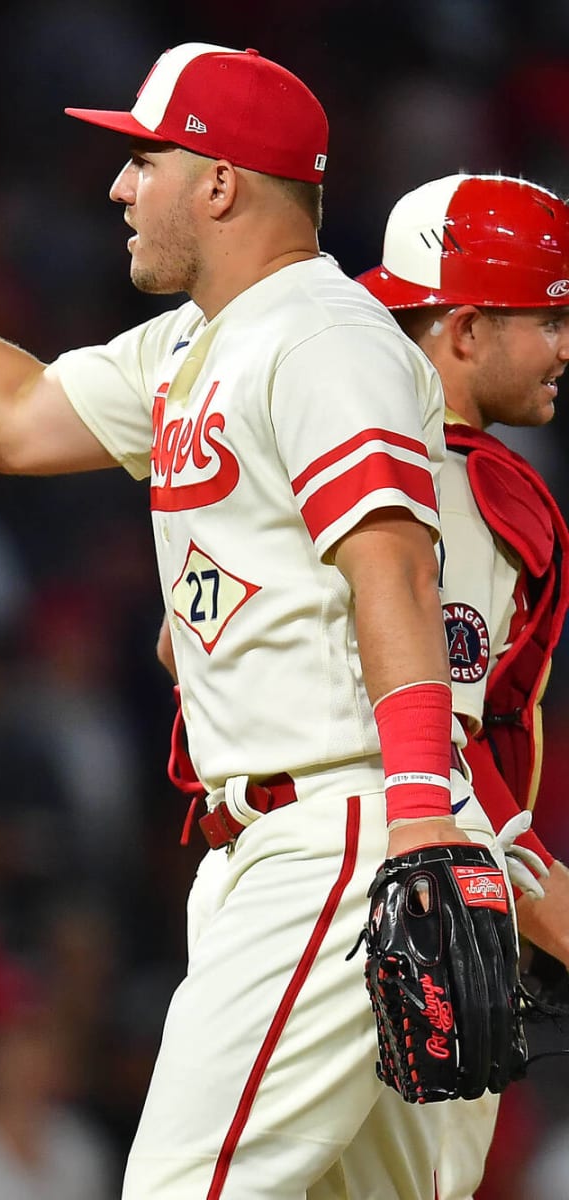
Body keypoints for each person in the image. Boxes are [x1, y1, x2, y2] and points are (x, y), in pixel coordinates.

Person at [0, 42, 508, 1198]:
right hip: (281, 835)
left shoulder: (322, 337)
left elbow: (394, 576)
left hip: (345, 822)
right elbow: (13, 413)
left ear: (220, 182)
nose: (119, 186)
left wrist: (419, 821)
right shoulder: (195, 341)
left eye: (143, 157)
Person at [357, 174, 569, 1195]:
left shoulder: (322, 451)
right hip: (417, 901)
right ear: (468, 329)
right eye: (548, 318)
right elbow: (442, 745)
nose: (565, 348)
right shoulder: (462, 483)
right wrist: (536, 895)